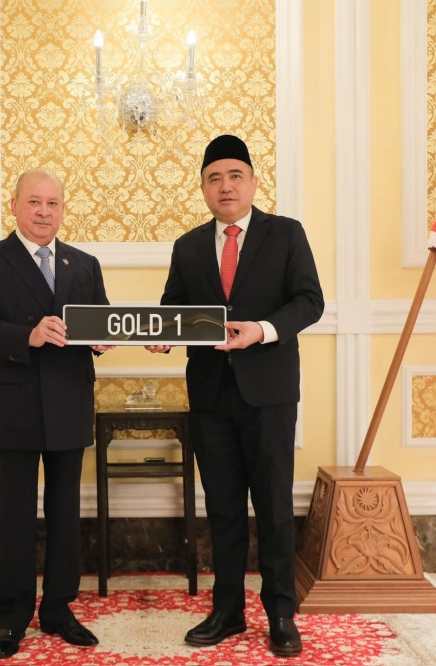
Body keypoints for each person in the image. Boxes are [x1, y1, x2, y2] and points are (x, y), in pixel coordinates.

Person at [147, 135, 324, 657]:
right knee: (222, 509)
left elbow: (309, 302)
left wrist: (263, 329)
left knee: (271, 508)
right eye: (214, 178)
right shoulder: (188, 246)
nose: (225, 186)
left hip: (268, 396)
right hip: (209, 396)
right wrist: (163, 332)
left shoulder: (286, 234)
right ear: (203, 188)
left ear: (252, 181)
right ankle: (226, 611)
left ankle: (280, 615)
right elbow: (172, 308)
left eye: (234, 176)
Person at [0, 169, 112, 660]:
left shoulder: (83, 263)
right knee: (14, 518)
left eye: (53, 203)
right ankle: (12, 617)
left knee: (67, 515)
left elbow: (101, 319)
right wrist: (27, 334)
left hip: (69, 403)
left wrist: (105, 340)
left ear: (62, 209)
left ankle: (59, 610)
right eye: (34, 202)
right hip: (13, 406)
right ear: (15, 205)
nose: (44, 211)